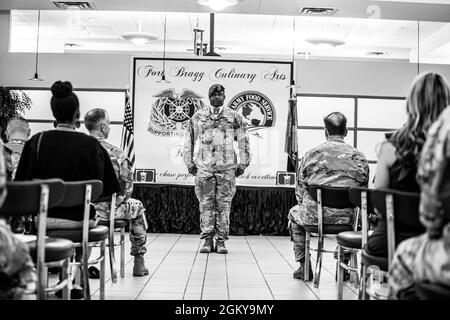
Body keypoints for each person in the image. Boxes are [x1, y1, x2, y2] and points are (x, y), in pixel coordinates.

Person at [15, 81, 120, 299]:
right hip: (80, 222)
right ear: (77, 115)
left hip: (43, 221)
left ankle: (47, 278)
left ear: (53, 114)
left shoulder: (37, 141)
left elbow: (21, 186)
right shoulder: (91, 145)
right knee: (87, 219)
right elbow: (107, 190)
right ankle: (77, 278)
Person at [366, 72, 450, 257]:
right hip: (441, 242)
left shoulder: (389, 147)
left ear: (411, 104)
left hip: (391, 240)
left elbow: (379, 201)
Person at [288, 112, 369, 280]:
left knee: (293, 214)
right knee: (358, 217)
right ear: (346, 132)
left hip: (314, 218)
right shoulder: (359, 157)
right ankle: (344, 264)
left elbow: (300, 191)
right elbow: (363, 192)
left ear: (325, 131)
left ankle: (304, 266)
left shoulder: (311, 155)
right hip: (349, 220)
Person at [388, 106, 450, 298]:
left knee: (405, 257)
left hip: (399, 238)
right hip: (347, 216)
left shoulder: (445, 124)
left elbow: (430, 209)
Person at [183, 84, 251, 254]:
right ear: (209, 96)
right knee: (205, 204)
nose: (217, 97)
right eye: (213, 94)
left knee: (224, 205)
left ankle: (221, 241)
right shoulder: (198, 116)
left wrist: (244, 162)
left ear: (224, 96)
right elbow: (188, 140)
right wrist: (189, 162)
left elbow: (243, 140)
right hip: (204, 168)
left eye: (220, 94)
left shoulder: (234, 117)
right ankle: (207, 240)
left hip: (227, 168)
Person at [84, 108, 149, 277]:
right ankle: (139, 262)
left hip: (79, 211)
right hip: (108, 210)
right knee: (138, 207)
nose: (110, 128)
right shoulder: (116, 153)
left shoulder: (76, 150)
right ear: (103, 127)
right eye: (109, 123)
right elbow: (127, 188)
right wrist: (114, 203)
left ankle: (80, 266)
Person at [3, 117, 31, 234]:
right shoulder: (36, 153)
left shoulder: (2, 152)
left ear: (7, 134)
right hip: (29, 218)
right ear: (28, 133)